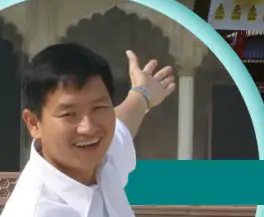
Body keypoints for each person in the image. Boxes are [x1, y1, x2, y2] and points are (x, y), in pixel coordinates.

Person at [2, 43, 177, 217]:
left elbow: (123, 124)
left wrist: (142, 93)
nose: (89, 127)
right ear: (33, 123)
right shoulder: (35, 211)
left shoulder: (101, 158)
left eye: (99, 108)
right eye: (69, 114)